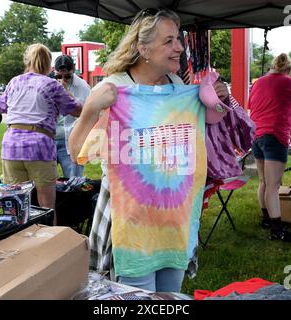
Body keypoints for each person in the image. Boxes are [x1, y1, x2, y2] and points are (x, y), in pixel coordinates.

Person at [69, 8, 228, 292]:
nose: (179, 47)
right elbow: (76, 152)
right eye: (169, 41)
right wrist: (91, 108)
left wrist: (214, 102)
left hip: (172, 220)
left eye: (178, 39)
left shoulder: (177, 86)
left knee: (170, 295)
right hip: (131, 222)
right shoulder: (116, 89)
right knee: (136, 296)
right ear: (143, 47)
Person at [0, 43, 82, 225]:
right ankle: (48, 244)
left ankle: (19, 243)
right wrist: (66, 91)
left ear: (27, 61)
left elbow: (0, 106)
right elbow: (77, 110)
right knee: (46, 205)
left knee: (15, 204)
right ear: (49, 65)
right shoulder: (52, 85)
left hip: (11, 146)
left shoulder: (14, 82)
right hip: (39, 147)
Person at [249, 53, 291, 242]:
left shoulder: (257, 83)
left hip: (256, 135)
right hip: (275, 135)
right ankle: (277, 230)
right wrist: (289, 132)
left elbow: (252, 109)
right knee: (274, 185)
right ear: (288, 69)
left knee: (264, 182)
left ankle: (266, 219)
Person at [54, 55, 91, 178]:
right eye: (59, 76)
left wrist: (66, 93)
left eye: (67, 76)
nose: (63, 79)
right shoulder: (49, 84)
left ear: (74, 68)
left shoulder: (83, 87)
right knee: (46, 182)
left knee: (74, 181)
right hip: (50, 140)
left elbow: (87, 113)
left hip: (71, 140)